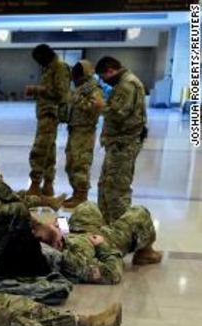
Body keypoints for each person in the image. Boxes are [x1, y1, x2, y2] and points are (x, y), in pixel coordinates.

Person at [32, 201, 162, 283]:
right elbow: (113, 273)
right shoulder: (76, 260)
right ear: (59, 244)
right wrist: (102, 245)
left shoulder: (42, 244)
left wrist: (59, 224)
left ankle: (102, 226)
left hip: (76, 233)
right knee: (139, 213)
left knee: (87, 206)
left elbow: (53, 235)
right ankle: (145, 252)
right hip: (97, 240)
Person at [95, 56, 148, 222]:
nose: (105, 82)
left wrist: (101, 106)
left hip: (124, 144)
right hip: (117, 143)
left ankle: (120, 229)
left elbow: (119, 113)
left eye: (104, 77)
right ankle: (107, 224)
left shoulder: (127, 84)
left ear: (110, 70)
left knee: (117, 190)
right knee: (106, 185)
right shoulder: (123, 82)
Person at [24, 44, 70, 198]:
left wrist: (37, 89)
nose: (38, 63)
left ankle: (35, 185)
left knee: (39, 149)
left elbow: (61, 93)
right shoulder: (50, 67)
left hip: (50, 114)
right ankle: (48, 185)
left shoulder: (59, 67)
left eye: (38, 59)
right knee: (49, 152)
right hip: (44, 113)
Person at [63, 60, 104, 208]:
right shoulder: (80, 88)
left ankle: (81, 196)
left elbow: (96, 107)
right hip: (74, 129)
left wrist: (77, 99)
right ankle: (76, 193)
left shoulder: (93, 88)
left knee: (80, 164)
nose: (74, 76)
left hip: (85, 131)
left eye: (77, 73)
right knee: (71, 164)